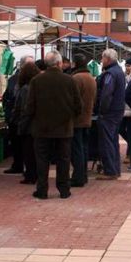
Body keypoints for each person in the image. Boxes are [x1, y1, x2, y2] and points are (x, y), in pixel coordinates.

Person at [26, 50, 81, 199]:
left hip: (41, 128)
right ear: (59, 63)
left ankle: (42, 190)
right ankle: (64, 189)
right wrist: (69, 116)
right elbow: (78, 105)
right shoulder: (69, 80)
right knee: (63, 159)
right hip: (64, 128)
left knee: (42, 160)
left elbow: (30, 106)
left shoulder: (36, 81)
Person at [96, 49, 126, 179]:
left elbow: (106, 94)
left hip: (109, 113)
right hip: (117, 111)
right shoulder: (119, 71)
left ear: (107, 59)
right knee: (113, 140)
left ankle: (110, 171)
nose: (101, 61)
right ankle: (115, 169)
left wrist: (102, 110)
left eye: (102, 59)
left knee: (107, 141)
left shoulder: (110, 74)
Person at [2, 55, 34, 175]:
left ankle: (25, 167)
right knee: (17, 143)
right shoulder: (14, 79)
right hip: (17, 117)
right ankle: (18, 165)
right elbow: (9, 96)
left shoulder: (31, 81)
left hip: (23, 117)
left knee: (25, 144)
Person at [71, 54, 97, 187]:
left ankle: (78, 177)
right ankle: (83, 175)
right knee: (84, 148)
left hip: (77, 119)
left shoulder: (76, 78)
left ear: (75, 63)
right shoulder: (91, 78)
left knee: (76, 149)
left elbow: (73, 100)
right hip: (88, 117)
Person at [12, 62, 40, 184]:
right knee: (36, 152)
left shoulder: (25, 89)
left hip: (28, 125)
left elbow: (23, 109)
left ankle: (30, 175)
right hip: (38, 123)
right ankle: (35, 174)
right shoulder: (39, 85)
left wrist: (19, 123)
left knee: (28, 152)